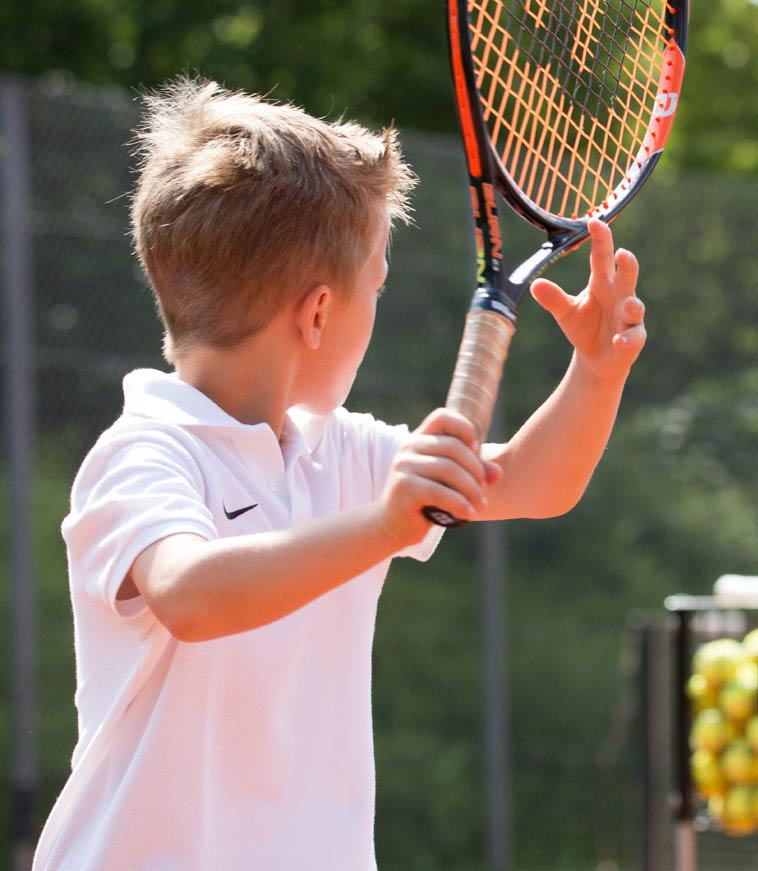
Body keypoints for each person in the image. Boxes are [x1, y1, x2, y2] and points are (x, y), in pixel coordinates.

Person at [33, 78, 648, 870]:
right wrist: (383, 525)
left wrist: (595, 374)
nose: (378, 305)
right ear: (319, 314)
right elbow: (189, 594)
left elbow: (533, 482)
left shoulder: (345, 451)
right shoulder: (145, 453)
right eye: (377, 288)